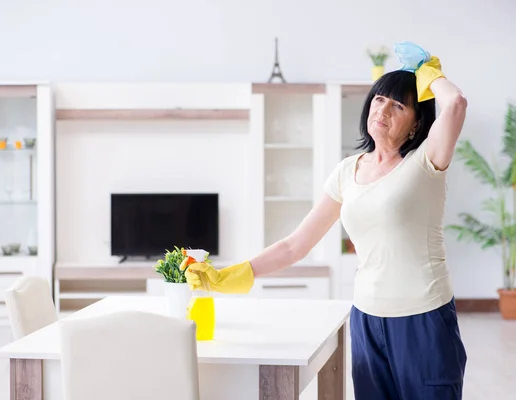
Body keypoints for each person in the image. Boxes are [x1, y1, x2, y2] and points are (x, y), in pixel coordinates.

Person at [185, 41, 468, 400]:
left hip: (423, 317)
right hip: (366, 319)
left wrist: (429, 71)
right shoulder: (347, 171)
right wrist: (231, 275)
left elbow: (456, 104)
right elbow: (294, 245)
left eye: (399, 105)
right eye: (379, 99)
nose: (384, 108)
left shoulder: (426, 162)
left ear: (415, 125)